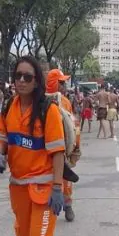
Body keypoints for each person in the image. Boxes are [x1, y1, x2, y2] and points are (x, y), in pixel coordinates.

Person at [0, 56, 65, 236]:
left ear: (36, 81)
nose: (21, 81)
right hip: (19, 187)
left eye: (27, 77)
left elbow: (58, 151)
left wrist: (58, 188)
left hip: (44, 190)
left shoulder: (47, 110)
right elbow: (1, 137)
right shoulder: (9, 107)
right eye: (18, 76)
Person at [46, 68, 76, 222]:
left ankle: (68, 206)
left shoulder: (65, 102)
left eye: (64, 82)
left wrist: (74, 150)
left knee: (65, 178)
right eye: (61, 82)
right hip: (44, 149)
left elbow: (72, 127)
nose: (64, 86)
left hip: (62, 149)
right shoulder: (39, 102)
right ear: (53, 83)